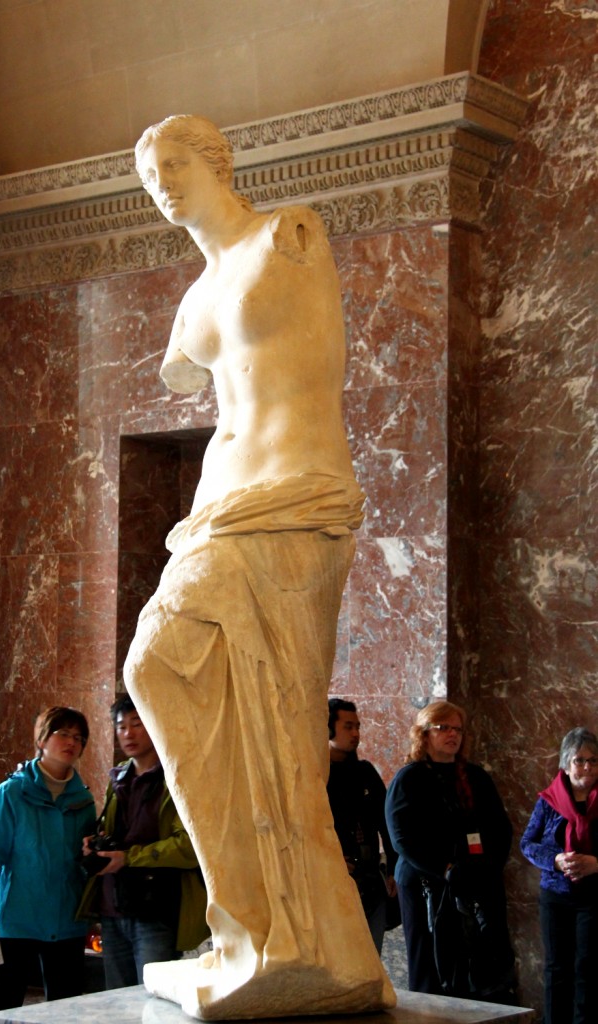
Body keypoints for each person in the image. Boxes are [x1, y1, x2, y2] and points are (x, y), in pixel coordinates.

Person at [123, 115, 395, 1017]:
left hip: (295, 503)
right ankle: (250, 924)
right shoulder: (192, 301)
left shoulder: (289, 235)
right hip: (216, 515)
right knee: (162, 675)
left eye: (174, 162)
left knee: (278, 727)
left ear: (215, 161)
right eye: (148, 171)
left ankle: (299, 940)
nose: (161, 181)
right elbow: (188, 378)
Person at [0, 706, 96, 1012]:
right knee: (4, 1007)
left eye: (78, 737)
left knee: (65, 1010)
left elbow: (83, 865)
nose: (71, 742)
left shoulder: (83, 801)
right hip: (14, 920)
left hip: (66, 921)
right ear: (42, 739)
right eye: (63, 733)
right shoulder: (10, 793)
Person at [385, 700, 515, 1002]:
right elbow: (401, 837)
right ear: (424, 734)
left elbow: (500, 828)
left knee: (482, 968)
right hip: (427, 883)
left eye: (457, 729)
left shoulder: (475, 776)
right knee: (432, 967)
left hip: (476, 880)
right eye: (443, 727)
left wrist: (487, 868)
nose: (452, 734)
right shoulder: (410, 778)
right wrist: (445, 869)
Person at [77, 696, 209, 988]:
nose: (128, 733)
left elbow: (189, 847)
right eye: (121, 727)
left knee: (153, 1000)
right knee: (118, 1003)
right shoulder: (119, 778)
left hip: (155, 910)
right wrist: (96, 845)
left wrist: (129, 857)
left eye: (137, 724)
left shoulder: (175, 778)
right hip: (113, 907)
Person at [520, 727, 598, 1024]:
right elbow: (527, 843)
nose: (587, 767)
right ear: (566, 764)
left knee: (587, 968)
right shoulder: (549, 801)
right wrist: (554, 860)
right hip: (555, 896)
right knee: (556, 968)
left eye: (593, 760)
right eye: (579, 760)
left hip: (593, 897)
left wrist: (595, 864)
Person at [326, 698, 397, 954]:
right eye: (348, 727)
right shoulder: (315, 775)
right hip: (333, 881)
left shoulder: (365, 772)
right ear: (328, 728)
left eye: (358, 726)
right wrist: (330, 860)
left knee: (370, 956)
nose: (356, 733)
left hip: (370, 877)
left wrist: (393, 868)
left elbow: (386, 821)